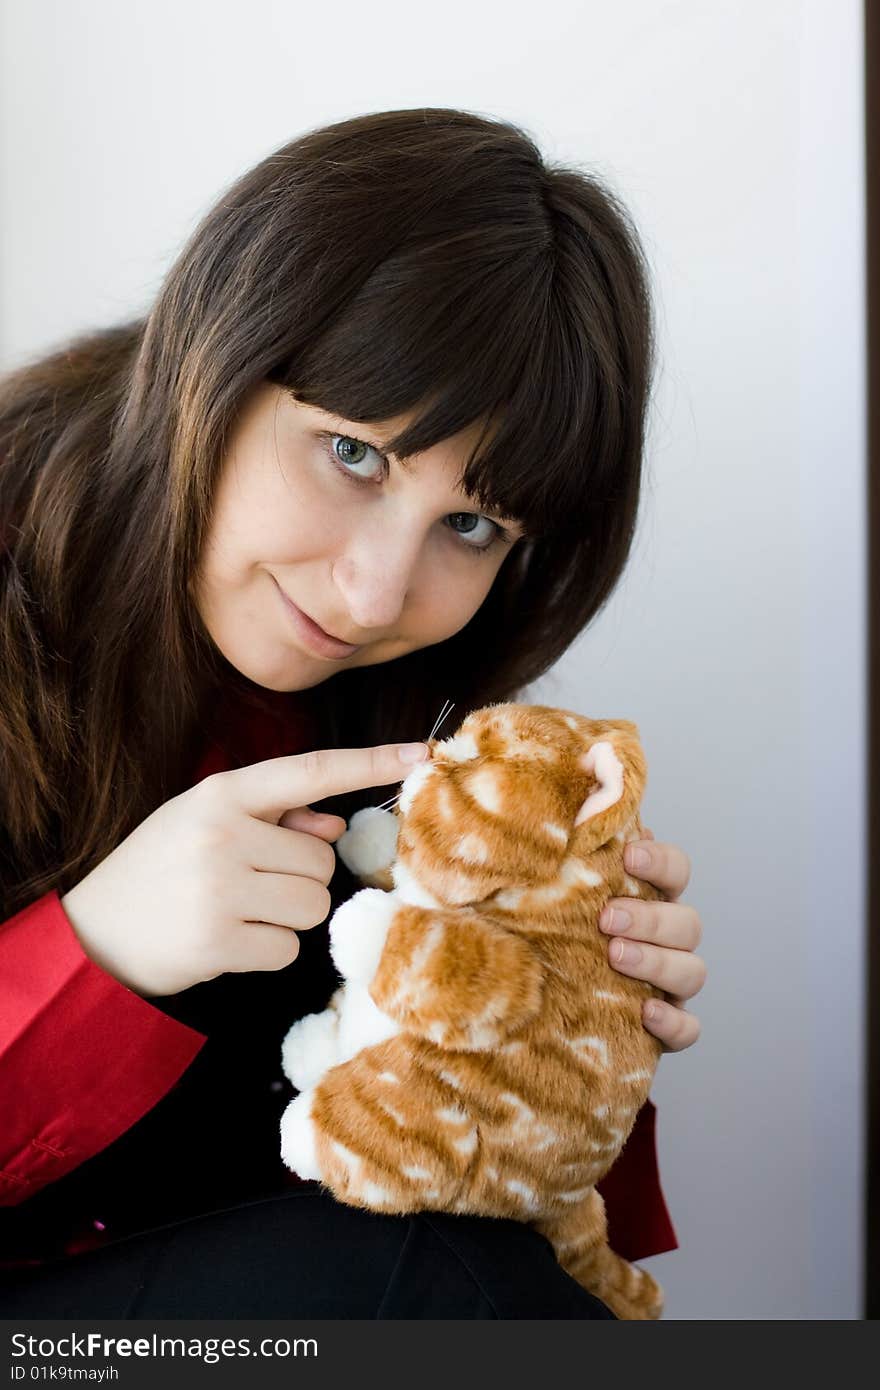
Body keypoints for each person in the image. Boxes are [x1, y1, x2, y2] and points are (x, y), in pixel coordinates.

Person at [0, 107, 706, 1319]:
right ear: (212, 366)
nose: (376, 590)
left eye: (470, 526)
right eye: (354, 453)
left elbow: (526, 1218)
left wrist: (569, 1007)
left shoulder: (419, 717)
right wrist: (93, 952)